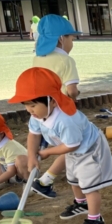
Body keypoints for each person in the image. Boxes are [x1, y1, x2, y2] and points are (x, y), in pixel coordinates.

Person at [9, 67, 112, 224]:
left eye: (33, 105)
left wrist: (47, 152)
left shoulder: (66, 119)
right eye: (26, 105)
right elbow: (33, 135)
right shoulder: (36, 116)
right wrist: (32, 156)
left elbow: (71, 145)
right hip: (72, 150)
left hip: (89, 149)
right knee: (73, 179)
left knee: (89, 186)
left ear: (51, 101)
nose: (29, 110)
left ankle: (96, 220)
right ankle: (81, 203)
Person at [31, 14, 82, 200]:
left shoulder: (38, 58)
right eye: (71, 38)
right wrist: (74, 98)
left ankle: (38, 170)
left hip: (40, 111)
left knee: (57, 143)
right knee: (72, 145)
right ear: (61, 39)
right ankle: (45, 181)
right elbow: (72, 90)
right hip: (60, 111)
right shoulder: (66, 61)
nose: (72, 42)